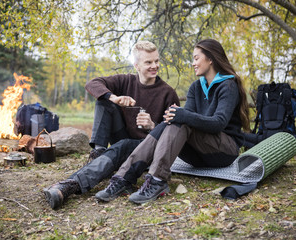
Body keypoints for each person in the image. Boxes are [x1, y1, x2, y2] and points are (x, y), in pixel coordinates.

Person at [95, 39, 250, 204]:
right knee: (171, 121)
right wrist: (177, 116)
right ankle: (124, 178)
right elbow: (184, 121)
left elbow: (218, 123)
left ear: (210, 59)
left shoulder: (228, 86)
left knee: (179, 118)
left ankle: (157, 180)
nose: (193, 63)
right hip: (197, 156)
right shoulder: (196, 87)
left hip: (224, 152)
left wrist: (181, 114)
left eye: (196, 58)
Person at [43, 41, 180, 209]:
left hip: (147, 149)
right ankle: (98, 153)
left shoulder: (168, 93)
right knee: (104, 101)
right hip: (122, 139)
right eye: (148, 62)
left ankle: (68, 186)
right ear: (136, 65)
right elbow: (92, 84)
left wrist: (153, 125)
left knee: (122, 146)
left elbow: (173, 134)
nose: (155, 66)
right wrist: (115, 98)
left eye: (156, 61)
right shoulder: (126, 81)